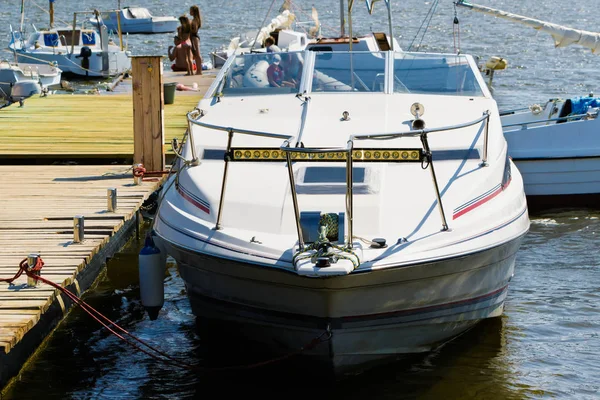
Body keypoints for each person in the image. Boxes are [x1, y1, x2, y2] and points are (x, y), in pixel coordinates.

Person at [189, 5, 203, 75]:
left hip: (194, 37)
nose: (189, 12)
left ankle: (199, 70)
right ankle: (198, 70)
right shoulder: (195, 19)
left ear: (193, 11)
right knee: (196, 54)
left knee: (197, 54)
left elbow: (194, 30)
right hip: (193, 37)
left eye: (190, 10)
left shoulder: (195, 20)